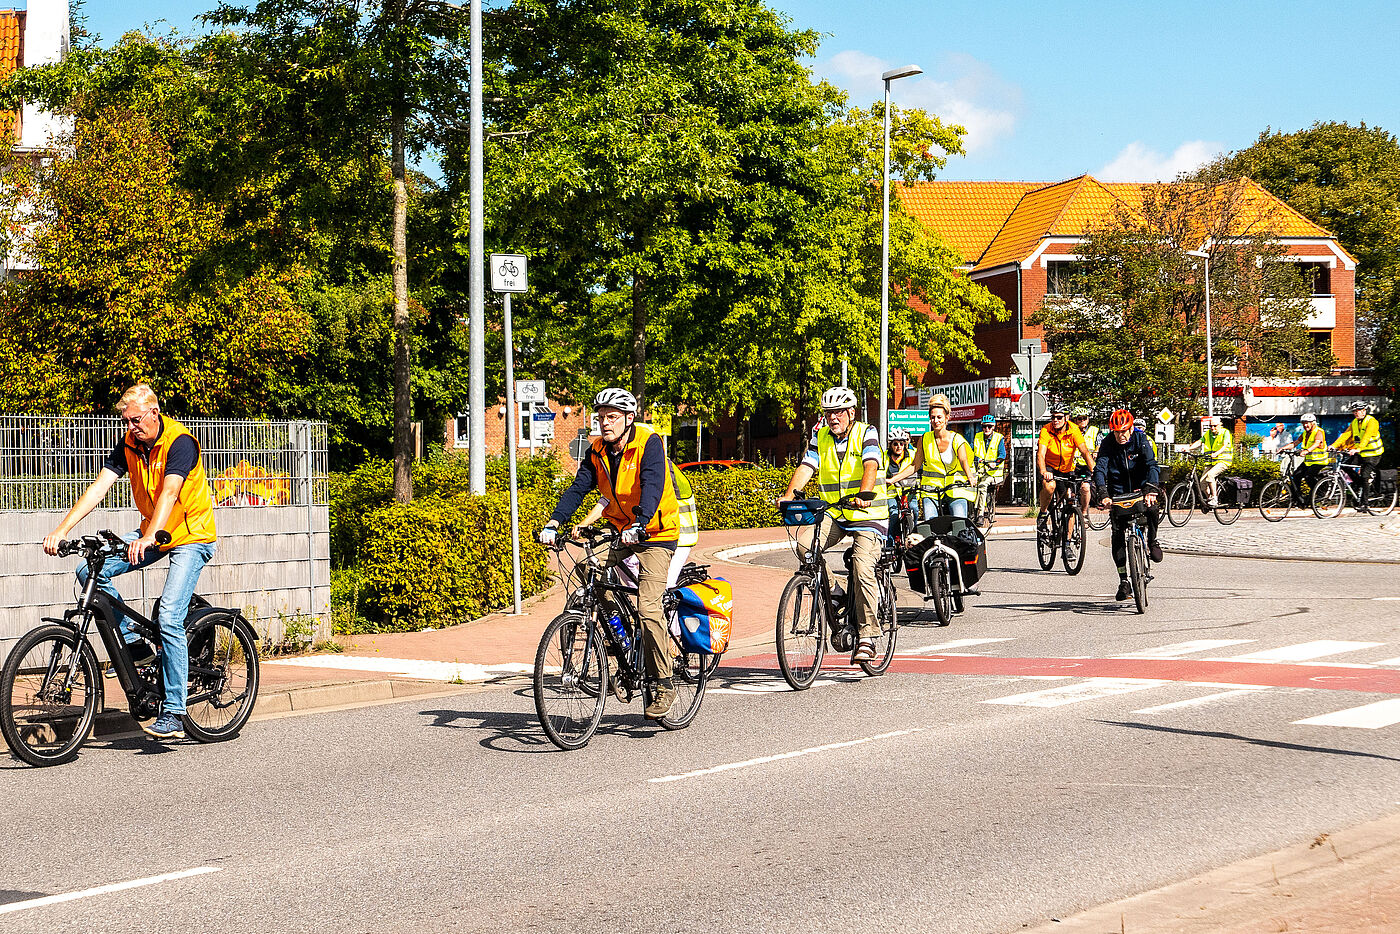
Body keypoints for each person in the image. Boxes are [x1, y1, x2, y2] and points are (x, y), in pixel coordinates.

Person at [42, 384, 218, 741]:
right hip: (153, 533)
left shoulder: (180, 442)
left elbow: (169, 492)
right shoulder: (130, 444)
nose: (131, 426)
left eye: (136, 420)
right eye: (126, 421)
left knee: (169, 614)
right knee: (87, 569)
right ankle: (135, 641)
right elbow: (98, 487)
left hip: (191, 536)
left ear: (154, 412)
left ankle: (174, 711)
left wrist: (150, 535)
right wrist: (60, 530)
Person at [541, 388, 682, 720]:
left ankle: (664, 683)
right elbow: (579, 487)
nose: (604, 423)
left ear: (629, 419)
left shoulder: (649, 442)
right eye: (601, 416)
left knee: (648, 610)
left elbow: (652, 484)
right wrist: (554, 521)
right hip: (623, 531)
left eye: (612, 417)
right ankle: (622, 642)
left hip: (657, 533)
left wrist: (642, 523)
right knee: (587, 570)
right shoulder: (596, 451)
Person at [778, 386, 886, 662]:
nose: (833, 417)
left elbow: (871, 465)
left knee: (862, 567)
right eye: (828, 413)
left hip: (867, 515)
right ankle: (835, 590)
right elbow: (807, 466)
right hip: (835, 513)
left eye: (838, 412)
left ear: (851, 412)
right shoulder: (821, 436)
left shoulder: (867, 432)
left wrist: (864, 494)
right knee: (804, 546)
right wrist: (789, 495)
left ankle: (868, 636)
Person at [1093, 408, 1162, 601]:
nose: (1120, 435)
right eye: (1116, 432)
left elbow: (1151, 465)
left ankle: (1152, 541)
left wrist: (1151, 489)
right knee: (1117, 533)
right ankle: (1124, 581)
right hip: (1118, 492)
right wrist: (1103, 493)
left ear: (1131, 429)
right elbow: (1100, 470)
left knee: (1153, 508)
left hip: (1141, 488)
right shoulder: (1107, 444)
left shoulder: (1141, 440)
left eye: (1123, 431)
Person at [891, 393, 975, 520]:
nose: (936, 421)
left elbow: (964, 461)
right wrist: (893, 479)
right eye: (933, 417)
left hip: (955, 490)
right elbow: (915, 465)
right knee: (930, 524)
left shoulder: (957, 439)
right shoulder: (925, 439)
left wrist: (970, 477)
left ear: (947, 418)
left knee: (959, 523)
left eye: (939, 417)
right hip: (932, 491)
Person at [1035, 403, 1095, 559]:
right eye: (1053, 417)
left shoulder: (1074, 430)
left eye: (1059, 417)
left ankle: (1067, 545)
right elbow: (1041, 454)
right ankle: (1042, 514)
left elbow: (1085, 452)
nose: (1055, 420)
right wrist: (1043, 471)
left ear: (1066, 418)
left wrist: (1095, 472)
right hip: (1050, 467)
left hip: (1068, 469)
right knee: (1050, 486)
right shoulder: (1046, 430)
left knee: (1071, 501)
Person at [1333, 401, 1386, 509]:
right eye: (1354, 411)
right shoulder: (1355, 423)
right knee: (1344, 465)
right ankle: (1358, 484)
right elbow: (1346, 435)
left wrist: (1358, 448)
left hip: (1374, 454)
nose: (1355, 413)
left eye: (1357, 411)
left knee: (1365, 476)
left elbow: (1366, 437)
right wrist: (1334, 446)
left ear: (1364, 411)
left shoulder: (1372, 422)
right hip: (1361, 453)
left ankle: (1365, 504)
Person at [1182, 415, 1233, 506]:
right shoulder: (1208, 433)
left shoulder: (1225, 432)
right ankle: (1209, 499)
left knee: (1210, 475)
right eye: (1211, 426)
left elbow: (1224, 445)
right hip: (1211, 462)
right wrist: (1189, 449)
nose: (1212, 428)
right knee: (1202, 483)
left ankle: (1215, 498)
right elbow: (1200, 441)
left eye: (1214, 426)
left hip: (1223, 461)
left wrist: (1217, 453)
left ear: (1220, 425)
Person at [1284, 412, 1328, 505]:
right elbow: (1296, 442)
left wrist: (1306, 451)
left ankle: (1320, 493)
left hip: (1320, 461)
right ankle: (1299, 500)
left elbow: (1317, 443)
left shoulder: (1319, 431)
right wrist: (1283, 448)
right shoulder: (1304, 433)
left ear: (1313, 423)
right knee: (1296, 475)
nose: (1305, 425)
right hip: (1309, 462)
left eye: (1307, 423)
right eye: (1303, 423)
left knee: (1309, 477)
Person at [972, 414, 1006, 514]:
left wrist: (995, 463)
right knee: (968, 485)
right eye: (984, 426)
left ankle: (981, 514)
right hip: (980, 472)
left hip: (993, 474)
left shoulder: (999, 438)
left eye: (989, 426)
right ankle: (971, 511)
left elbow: (1002, 455)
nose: (986, 429)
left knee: (982, 486)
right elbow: (972, 452)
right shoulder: (977, 437)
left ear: (993, 427)